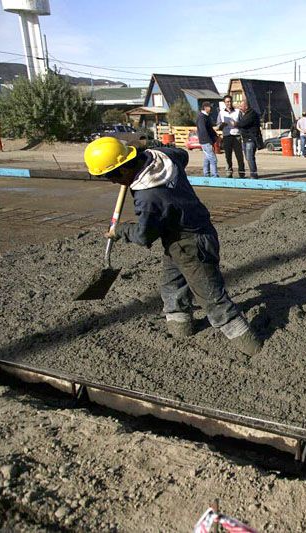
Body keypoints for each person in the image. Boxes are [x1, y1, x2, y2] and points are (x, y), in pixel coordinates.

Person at [82, 137, 263, 356]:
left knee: (213, 300)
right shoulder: (164, 157)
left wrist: (120, 231)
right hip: (178, 237)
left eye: (111, 177)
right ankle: (180, 329)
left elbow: (144, 236)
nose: (113, 183)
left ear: (124, 168)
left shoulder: (148, 197)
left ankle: (255, 348)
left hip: (193, 243)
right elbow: (183, 154)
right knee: (172, 286)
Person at [217, 95, 245, 178]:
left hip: (236, 135)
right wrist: (222, 125)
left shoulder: (237, 111)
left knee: (239, 156)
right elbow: (218, 125)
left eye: (230, 101)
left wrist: (236, 124)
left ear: (232, 102)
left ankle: (241, 172)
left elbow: (242, 123)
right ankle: (229, 172)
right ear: (224, 103)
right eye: (227, 102)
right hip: (226, 136)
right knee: (228, 156)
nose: (228, 103)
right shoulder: (221, 113)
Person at [236, 99, 260, 178]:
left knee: (250, 157)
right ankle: (252, 172)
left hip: (251, 139)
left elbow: (242, 123)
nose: (240, 107)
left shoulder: (251, 114)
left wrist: (235, 124)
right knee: (247, 157)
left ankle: (253, 174)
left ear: (246, 106)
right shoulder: (243, 114)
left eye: (241, 106)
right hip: (245, 139)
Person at [195, 101, 218, 178]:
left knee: (207, 158)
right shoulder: (202, 117)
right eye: (210, 107)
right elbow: (203, 130)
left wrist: (215, 136)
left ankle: (206, 174)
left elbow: (210, 129)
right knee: (213, 159)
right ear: (205, 108)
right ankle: (214, 175)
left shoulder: (206, 116)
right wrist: (210, 141)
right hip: (206, 141)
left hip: (205, 141)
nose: (211, 108)